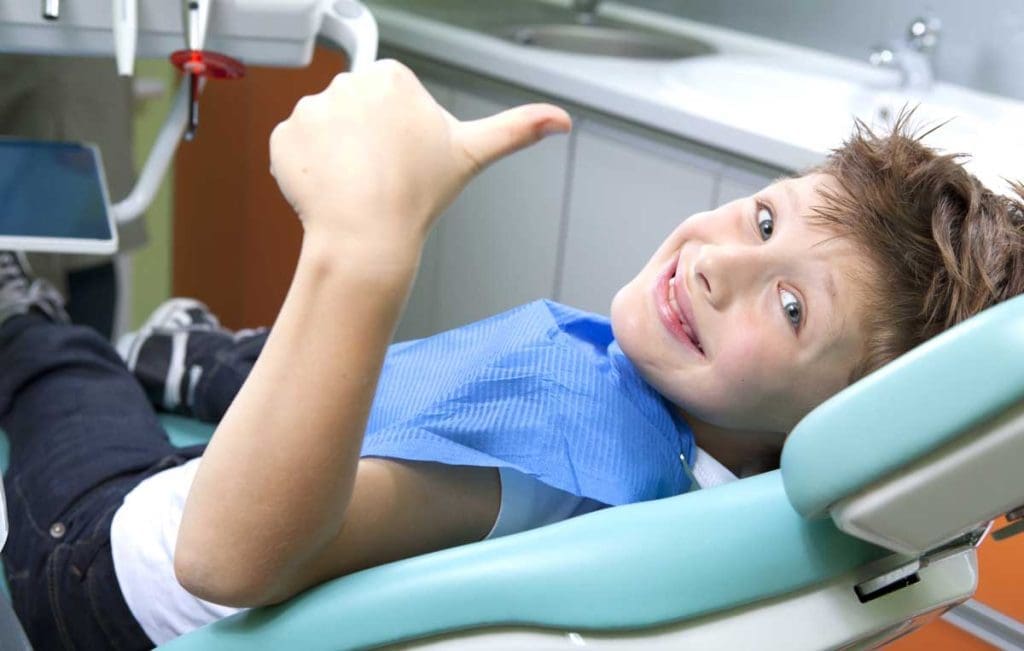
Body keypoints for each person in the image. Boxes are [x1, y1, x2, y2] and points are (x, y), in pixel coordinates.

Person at [1, 61, 1022, 649]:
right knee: (374, 365)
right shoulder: (699, 459)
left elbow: (223, 557)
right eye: (763, 218)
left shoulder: (535, 475)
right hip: (266, 486)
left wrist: (362, 247)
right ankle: (211, 366)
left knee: (73, 370)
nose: (719, 262)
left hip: (107, 566)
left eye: (792, 305)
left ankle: (27, 320)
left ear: (831, 417)